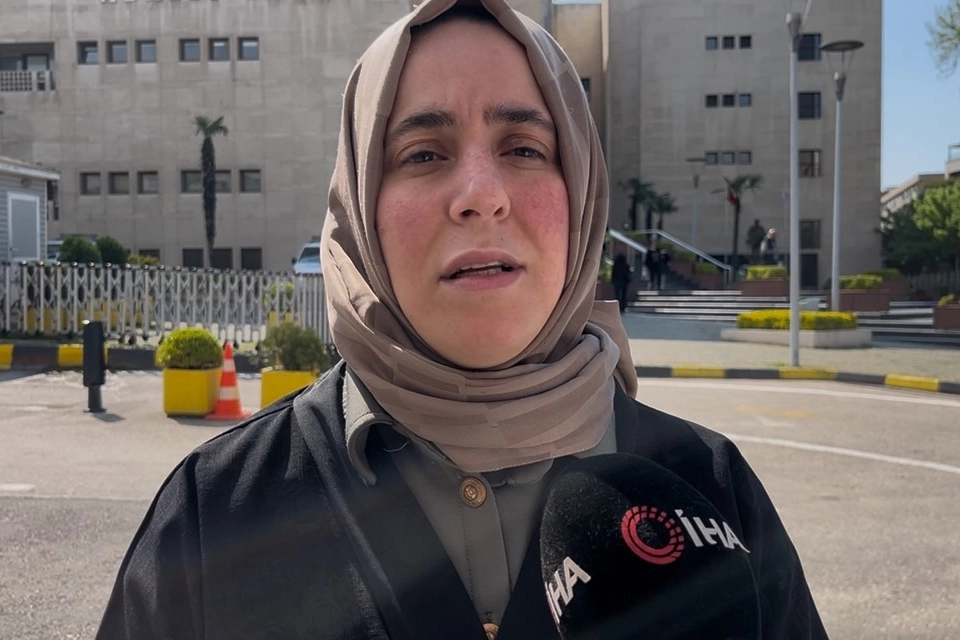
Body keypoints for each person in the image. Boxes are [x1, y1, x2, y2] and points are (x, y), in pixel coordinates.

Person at [95, 1, 827, 638]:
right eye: (422, 154)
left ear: (581, 193)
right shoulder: (216, 511)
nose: (480, 194)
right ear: (359, 207)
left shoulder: (712, 492)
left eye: (525, 148)